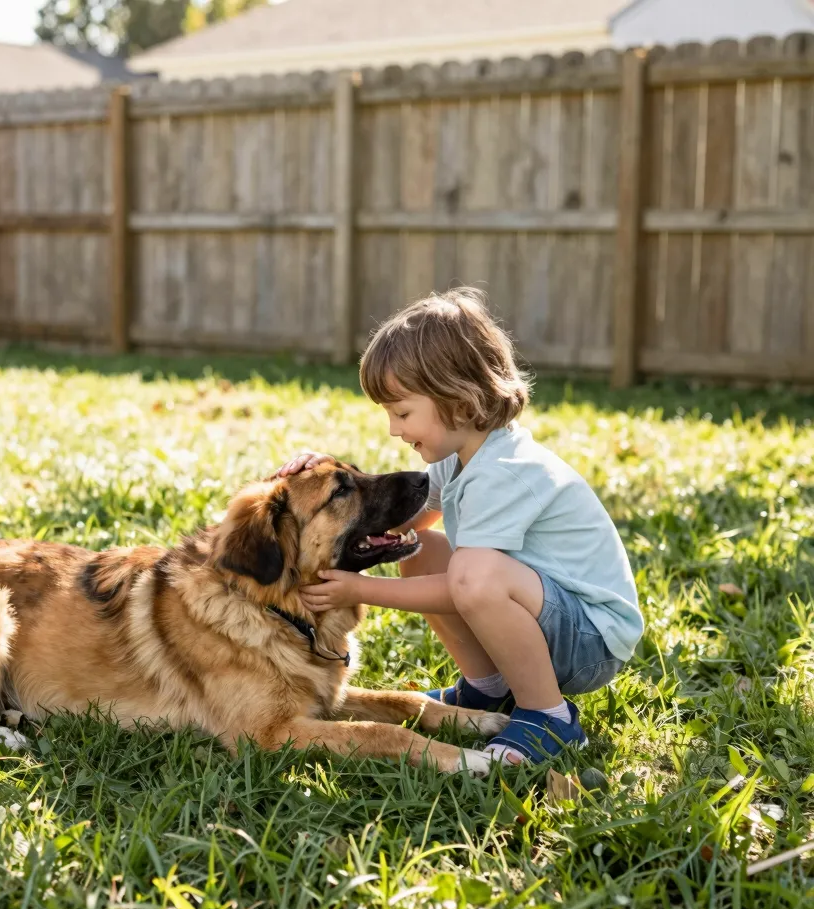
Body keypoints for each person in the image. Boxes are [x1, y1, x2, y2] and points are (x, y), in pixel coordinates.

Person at [274, 288, 642, 763]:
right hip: (547, 620)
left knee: (474, 576)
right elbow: (400, 523)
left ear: (459, 399)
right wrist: (323, 476)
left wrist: (359, 590)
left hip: (590, 640)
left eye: (402, 412)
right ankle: (487, 690)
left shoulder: (504, 471)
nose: (393, 429)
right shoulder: (460, 460)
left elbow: (463, 589)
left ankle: (549, 715)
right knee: (421, 548)